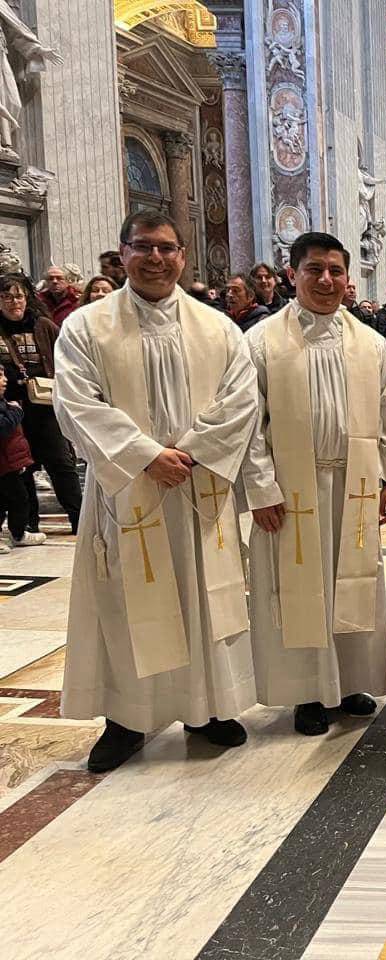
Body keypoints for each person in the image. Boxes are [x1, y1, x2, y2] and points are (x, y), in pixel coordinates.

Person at [53, 210, 259, 772]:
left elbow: (241, 400)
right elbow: (76, 402)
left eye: (167, 248)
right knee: (126, 604)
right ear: (122, 254)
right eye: (143, 247)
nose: (156, 258)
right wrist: (146, 456)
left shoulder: (216, 327)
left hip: (196, 486)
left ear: (183, 256)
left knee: (203, 596)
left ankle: (207, 708)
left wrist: (187, 453)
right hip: (127, 492)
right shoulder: (86, 326)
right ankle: (126, 720)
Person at [241, 232, 386, 737]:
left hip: (353, 483)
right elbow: (249, 424)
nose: (326, 280)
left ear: (348, 278)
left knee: (352, 582)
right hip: (292, 490)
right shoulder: (261, 341)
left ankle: (352, 679)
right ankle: (308, 692)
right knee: (301, 589)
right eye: (314, 270)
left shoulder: (371, 342)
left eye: (336, 271)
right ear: (292, 274)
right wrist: (261, 488)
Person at [0, 272, 82, 535]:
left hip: (46, 407)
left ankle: (79, 519)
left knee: (61, 463)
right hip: (11, 409)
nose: (14, 302)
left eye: (18, 296)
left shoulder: (44, 325)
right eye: (6, 297)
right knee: (21, 467)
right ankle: (28, 524)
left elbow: (67, 359)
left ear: (27, 298)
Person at [0, 368, 33, 552]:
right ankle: (18, 533)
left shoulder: (4, 402)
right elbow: (3, 427)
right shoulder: (10, 406)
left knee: (17, 499)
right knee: (17, 498)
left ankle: (18, 533)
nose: (5, 380)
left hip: (9, 462)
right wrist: (16, 411)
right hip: (4, 464)